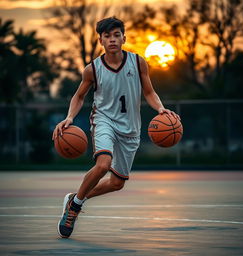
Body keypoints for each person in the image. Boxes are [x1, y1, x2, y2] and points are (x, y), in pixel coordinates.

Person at [52, 17, 180, 238]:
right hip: (104, 120)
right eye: (107, 36)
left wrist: (160, 109)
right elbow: (79, 96)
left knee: (117, 183)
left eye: (116, 35)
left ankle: (76, 197)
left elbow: (149, 92)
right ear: (100, 40)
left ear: (124, 38)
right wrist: (69, 117)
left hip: (130, 128)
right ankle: (74, 209)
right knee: (103, 165)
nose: (112, 39)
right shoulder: (92, 69)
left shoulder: (138, 62)